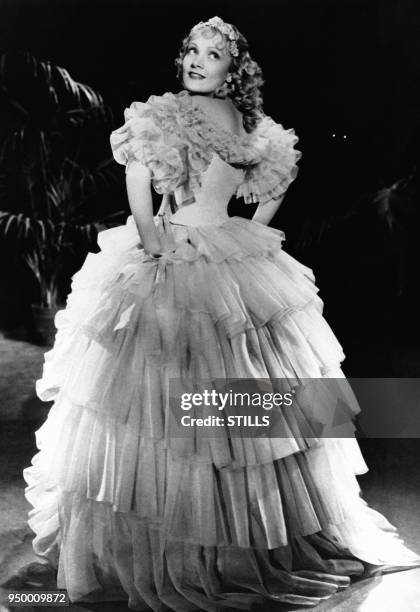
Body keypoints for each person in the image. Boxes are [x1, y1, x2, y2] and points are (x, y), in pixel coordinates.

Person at [24, 16, 419, 611]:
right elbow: (137, 181)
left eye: (212, 54)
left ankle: (242, 543)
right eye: (190, 50)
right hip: (172, 248)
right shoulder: (164, 113)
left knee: (244, 406)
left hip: (222, 256)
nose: (196, 60)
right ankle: (162, 545)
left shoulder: (257, 128)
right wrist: (157, 244)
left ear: (236, 70)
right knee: (156, 406)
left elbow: (277, 181)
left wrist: (247, 235)